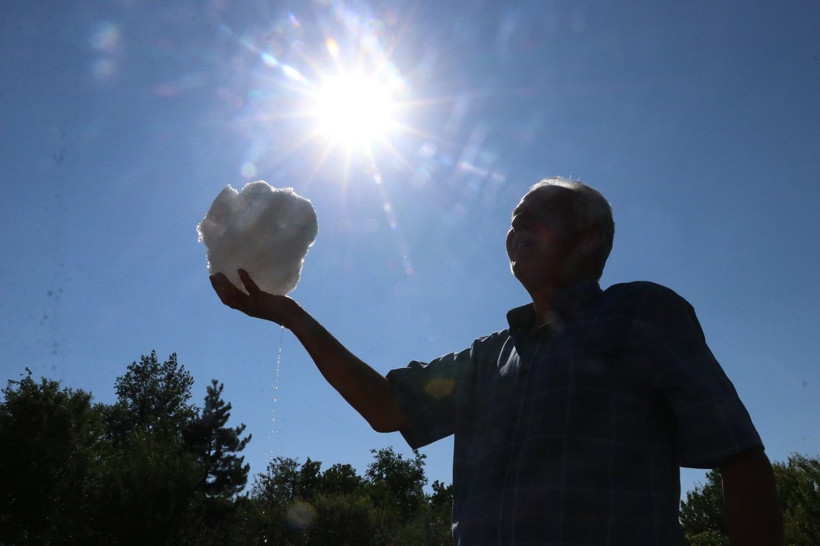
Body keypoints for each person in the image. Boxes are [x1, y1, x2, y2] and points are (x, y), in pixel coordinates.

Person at [210, 177, 783, 545]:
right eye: (512, 222)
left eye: (536, 216)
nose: (515, 230)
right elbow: (386, 408)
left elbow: (739, 457)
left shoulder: (641, 315)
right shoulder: (489, 358)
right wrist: (292, 317)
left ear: (589, 237)